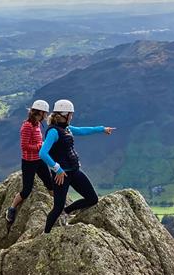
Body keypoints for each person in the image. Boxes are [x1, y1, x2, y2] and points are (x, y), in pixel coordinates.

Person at [39, 99, 116, 233]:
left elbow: (83, 130)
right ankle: (45, 235)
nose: (72, 116)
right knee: (57, 208)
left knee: (92, 199)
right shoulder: (53, 132)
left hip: (74, 171)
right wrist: (57, 169)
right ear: (64, 115)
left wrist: (102, 129)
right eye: (70, 114)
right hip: (61, 175)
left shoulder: (66, 128)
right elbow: (43, 153)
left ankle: (67, 211)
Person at [5, 100, 54, 224]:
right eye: (45, 113)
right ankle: (11, 208)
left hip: (39, 160)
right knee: (26, 191)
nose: (46, 116)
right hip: (29, 162)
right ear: (41, 112)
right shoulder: (27, 126)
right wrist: (39, 146)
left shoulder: (37, 124)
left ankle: (58, 207)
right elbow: (25, 146)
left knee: (50, 184)